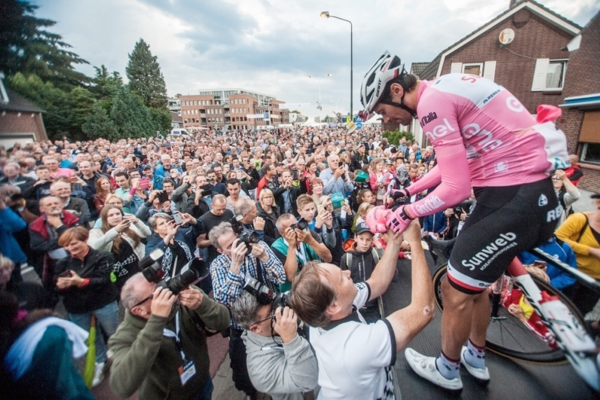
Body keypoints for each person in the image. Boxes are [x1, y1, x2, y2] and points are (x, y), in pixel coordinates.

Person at [360, 51, 567, 389]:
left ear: (396, 91)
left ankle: (447, 369)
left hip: (511, 199)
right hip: (528, 195)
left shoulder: (431, 106)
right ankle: (474, 354)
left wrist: (408, 211)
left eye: (383, 111)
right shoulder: (443, 89)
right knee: (476, 285)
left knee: (452, 290)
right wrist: (410, 188)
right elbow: (451, 163)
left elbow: (456, 188)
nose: (387, 121)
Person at [289, 220, 434, 399]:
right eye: (342, 278)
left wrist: (395, 241)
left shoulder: (323, 312)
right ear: (333, 306)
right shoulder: (357, 345)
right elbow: (423, 310)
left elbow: (377, 283)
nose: (348, 273)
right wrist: (415, 243)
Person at [108, 273, 230, 400]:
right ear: (139, 310)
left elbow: (224, 322)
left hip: (202, 384)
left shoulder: (182, 299)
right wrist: (156, 320)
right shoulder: (124, 336)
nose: (167, 292)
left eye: (161, 284)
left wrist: (203, 305)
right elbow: (121, 387)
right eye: (157, 293)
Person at [209, 221, 286, 398]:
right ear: (220, 251)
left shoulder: (257, 247)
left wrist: (265, 258)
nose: (238, 247)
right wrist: (235, 266)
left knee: (281, 359)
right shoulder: (218, 265)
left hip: (271, 319)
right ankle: (253, 392)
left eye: (236, 240)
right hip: (242, 327)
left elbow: (281, 277)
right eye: (230, 246)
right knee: (242, 375)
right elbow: (224, 299)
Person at [54, 226, 119, 387]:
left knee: (115, 333)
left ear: (85, 240)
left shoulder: (103, 256)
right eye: (67, 246)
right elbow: (55, 287)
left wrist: (80, 282)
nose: (71, 249)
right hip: (77, 308)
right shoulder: (63, 263)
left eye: (74, 244)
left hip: (103, 303)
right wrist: (62, 286)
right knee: (90, 339)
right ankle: (101, 361)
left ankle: (123, 358)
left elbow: (103, 280)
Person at [231, 291, 318, 400]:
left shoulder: (269, 328)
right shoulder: (261, 372)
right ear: (255, 328)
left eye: (274, 304)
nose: (279, 311)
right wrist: (291, 339)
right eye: (271, 314)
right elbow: (308, 381)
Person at [88, 206, 151, 290]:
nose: (116, 217)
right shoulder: (97, 232)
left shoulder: (129, 226)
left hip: (137, 267)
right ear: (104, 218)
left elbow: (147, 233)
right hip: (119, 274)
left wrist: (137, 221)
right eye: (111, 215)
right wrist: (115, 230)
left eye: (118, 214)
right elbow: (93, 246)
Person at [555, 196, 600, 315]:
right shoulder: (580, 219)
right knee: (561, 309)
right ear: (598, 203)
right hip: (571, 274)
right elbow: (558, 238)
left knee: (580, 313)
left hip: (595, 282)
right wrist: (590, 250)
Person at [271, 213, 332, 292]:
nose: (296, 229)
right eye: (291, 228)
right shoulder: (276, 247)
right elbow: (291, 277)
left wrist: (311, 241)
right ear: (281, 233)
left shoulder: (308, 233)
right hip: (296, 291)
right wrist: (292, 246)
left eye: (296, 225)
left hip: (318, 283)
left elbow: (328, 258)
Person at [339, 222, 384, 323]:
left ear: (372, 239)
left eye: (368, 239)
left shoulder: (375, 254)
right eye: (361, 238)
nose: (364, 243)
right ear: (355, 237)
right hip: (355, 306)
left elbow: (394, 276)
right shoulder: (347, 258)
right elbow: (341, 284)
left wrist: (382, 252)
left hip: (374, 306)